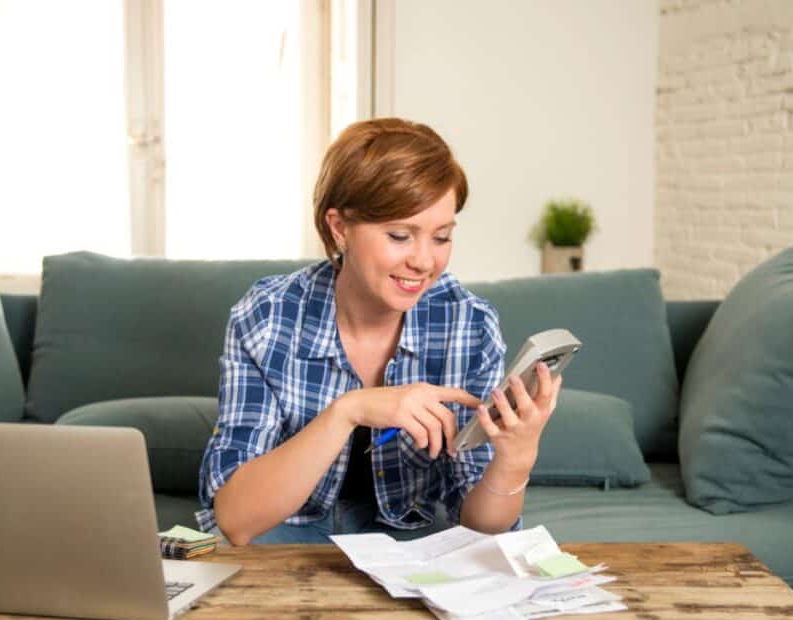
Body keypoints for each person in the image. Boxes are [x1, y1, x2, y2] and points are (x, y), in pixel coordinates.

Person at [196, 118, 563, 545]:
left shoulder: (468, 323)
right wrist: (349, 411)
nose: (424, 261)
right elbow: (236, 520)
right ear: (339, 228)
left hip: (407, 543)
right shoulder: (270, 315)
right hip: (284, 533)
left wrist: (515, 460)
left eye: (441, 237)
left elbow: (481, 529)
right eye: (400, 235)